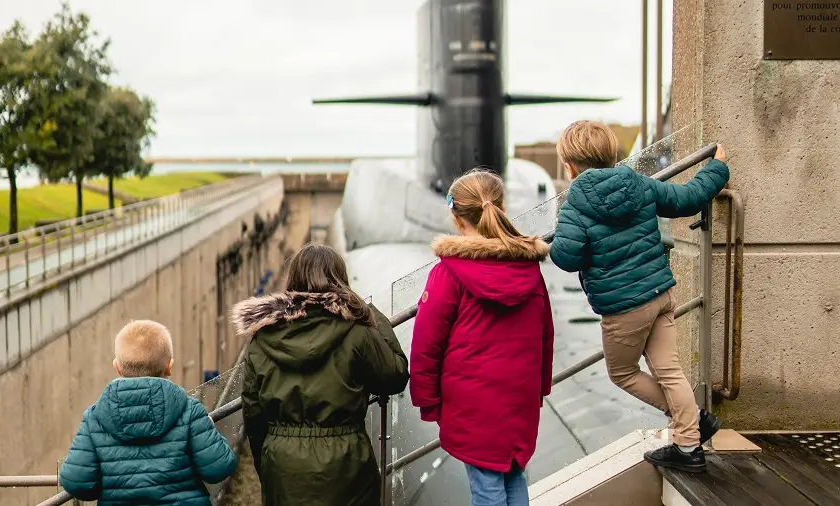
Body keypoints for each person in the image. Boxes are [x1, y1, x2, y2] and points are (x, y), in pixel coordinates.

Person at [548, 120, 730, 473]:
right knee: (670, 370)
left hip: (623, 308)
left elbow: (565, 258)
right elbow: (687, 198)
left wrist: (592, 253)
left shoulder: (575, 204)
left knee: (623, 373)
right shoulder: (638, 183)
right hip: (660, 293)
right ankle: (689, 441)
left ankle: (688, 423)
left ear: (568, 167)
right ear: (613, 155)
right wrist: (718, 167)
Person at [409, 168, 555, 506]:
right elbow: (545, 334)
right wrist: (540, 388)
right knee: (513, 473)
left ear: (457, 218)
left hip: (472, 403)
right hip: (518, 397)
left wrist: (427, 401)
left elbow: (426, 344)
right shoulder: (529, 268)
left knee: (486, 486)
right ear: (501, 207)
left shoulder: (448, 272)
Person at [234, 243, 409, 506]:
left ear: (292, 280)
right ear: (340, 281)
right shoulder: (356, 332)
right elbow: (394, 375)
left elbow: (253, 410)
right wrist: (369, 313)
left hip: (282, 462)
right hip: (346, 463)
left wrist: (267, 459)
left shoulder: (263, 338)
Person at [59, 320, 237, 505]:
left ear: (117, 367)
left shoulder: (94, 418)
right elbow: (220, 468)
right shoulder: (189, 411)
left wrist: (105, 489)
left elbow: (76, 481)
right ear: (169, 366)